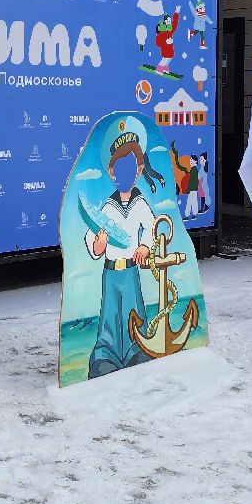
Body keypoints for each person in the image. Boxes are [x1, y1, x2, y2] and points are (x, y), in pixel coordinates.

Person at [83, 118, 163, 378]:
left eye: (131, 167)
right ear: (111, 171)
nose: (125, 173)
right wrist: (98, 245)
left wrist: (143, 246)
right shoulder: (106, 207)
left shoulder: (140, 204)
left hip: (130, 270)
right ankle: (104, 356)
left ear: (139, 170)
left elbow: (153, 227)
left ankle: (136, 350)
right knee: (109, 314)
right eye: (119, 167)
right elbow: (92, 232)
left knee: (133, 311)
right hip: (110, 271)